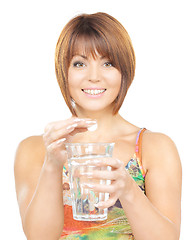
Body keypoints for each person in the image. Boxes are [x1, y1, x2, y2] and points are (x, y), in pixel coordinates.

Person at [14, 12, 182, 240]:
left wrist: (127, 190)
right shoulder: (35, 149)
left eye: (108, 63)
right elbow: (39, 237)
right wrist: (53, 164)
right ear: (64, 72)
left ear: (125, 71)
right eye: (80, 63)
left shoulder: (154, 147)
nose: (94, 76)